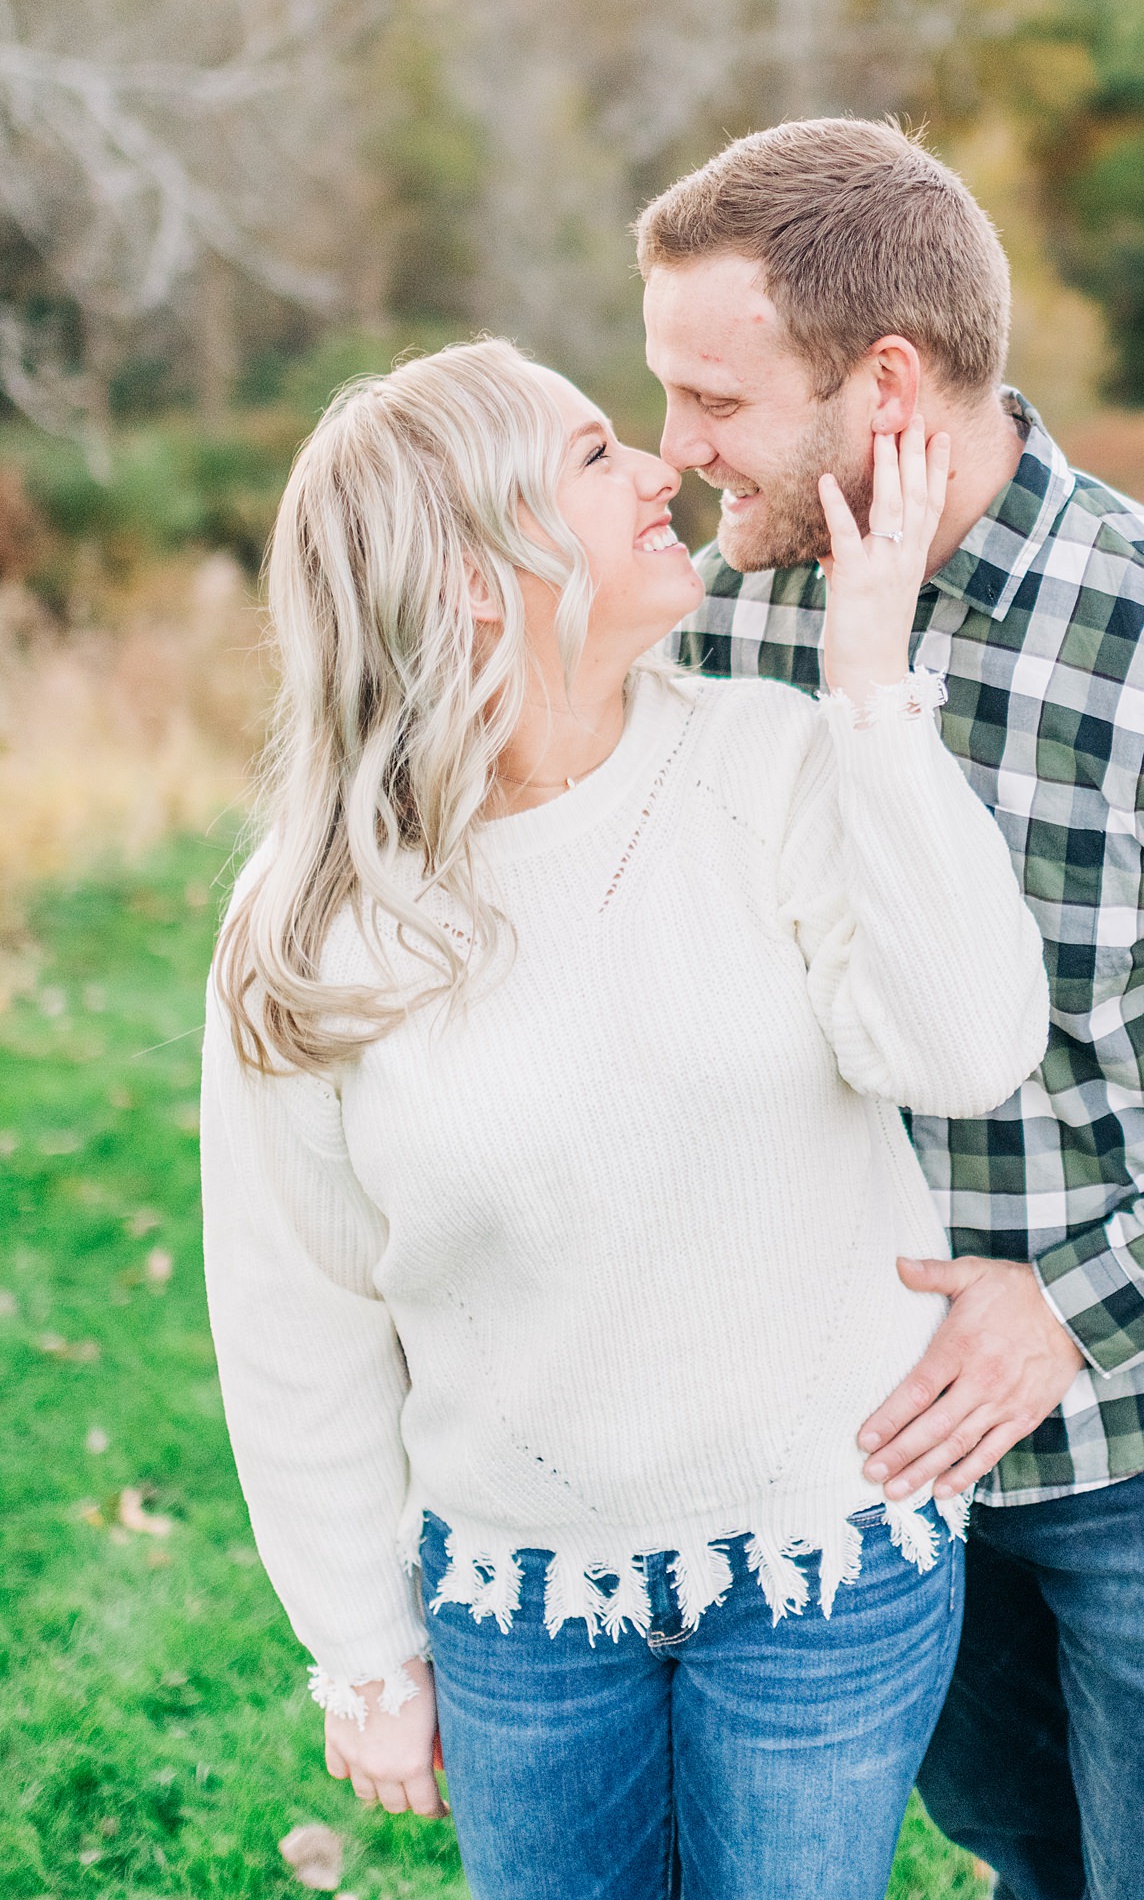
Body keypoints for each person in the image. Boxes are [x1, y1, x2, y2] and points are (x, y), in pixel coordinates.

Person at [642, 116, 1144, 1900]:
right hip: (859, 1442)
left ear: (885, 385)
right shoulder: (728, 629)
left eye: (714, 400)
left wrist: (1070, 1315)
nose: (676, 448)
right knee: (1030, 1854)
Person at [200, 338, 1050, 1900]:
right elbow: (292, 1306)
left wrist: (873, 686)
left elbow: (968, 1047)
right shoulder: (314, 918)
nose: (664, 469)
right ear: (468, 574)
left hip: (829, 1564)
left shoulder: (776, 763)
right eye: (596, 456)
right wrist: (363, 1649)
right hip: (522, 1606)